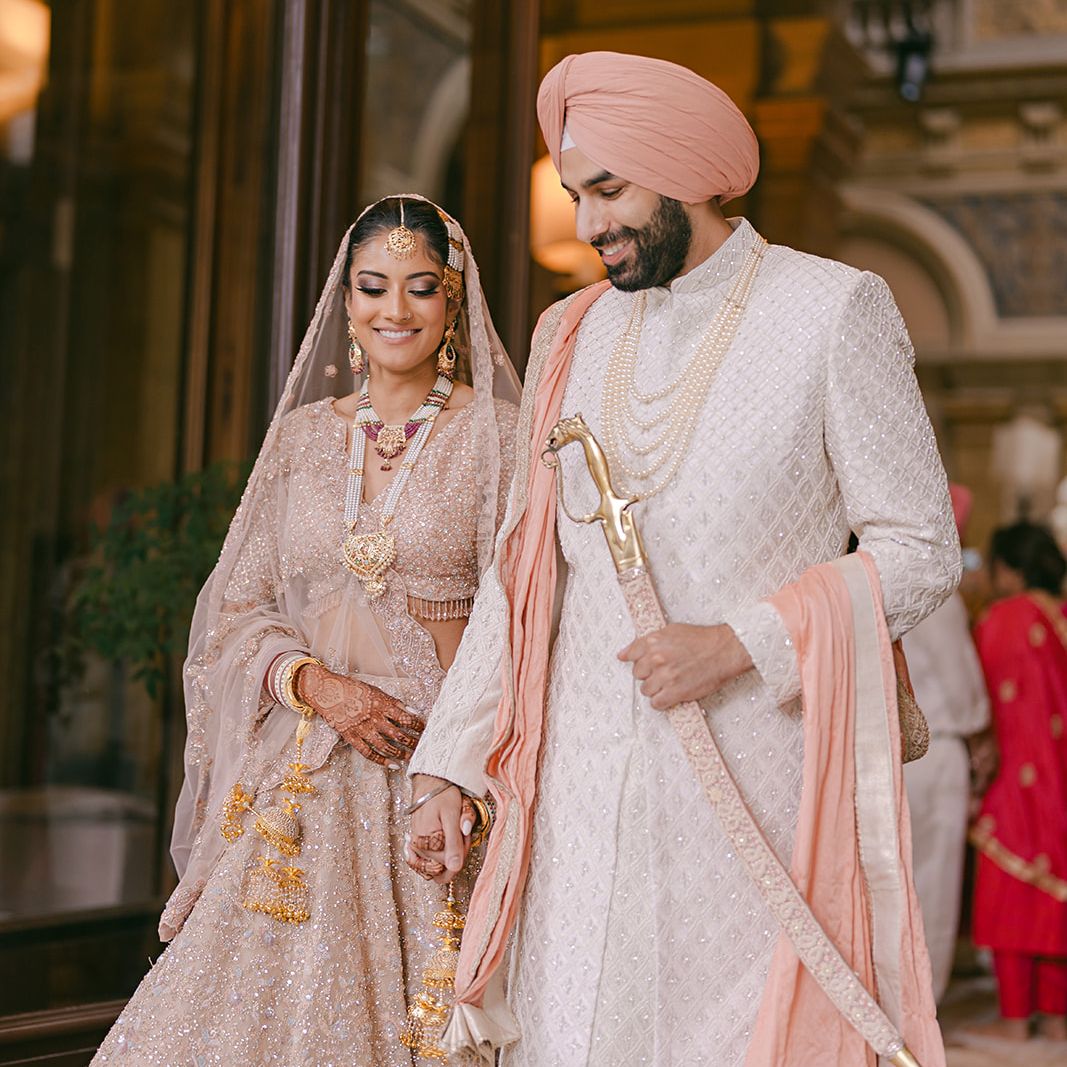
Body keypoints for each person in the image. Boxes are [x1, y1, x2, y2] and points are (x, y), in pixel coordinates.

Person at [407, 52, 959, 1067]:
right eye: (576, 195)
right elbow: (522, 577)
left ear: (688, 170)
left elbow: (919, 548)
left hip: (750, 787)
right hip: (573, 804)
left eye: (608, 190)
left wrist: (739, 642)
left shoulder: (829, 309)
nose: (585, 225)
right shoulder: (567, 331)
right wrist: (448, 765)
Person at [91, 195, 520, 1065]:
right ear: (347, 302)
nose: (393, 310)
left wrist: (461, 778)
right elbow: (238, 611)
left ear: (452, 302)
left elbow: (519, 622)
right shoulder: (298, 441)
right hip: (300, 784)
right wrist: (319, 686)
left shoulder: (497, 438)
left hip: (432, 788)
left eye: (419, 287)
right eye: (372, 288)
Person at [969, 521, 1067, 1042]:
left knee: (1011, 888)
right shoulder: (1061, 615)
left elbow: (979, 696)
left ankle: (1013, 1018)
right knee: (1056, 891)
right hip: (1061, 781)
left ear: (1010, 568)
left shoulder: (1006, 618)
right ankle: (1054, 1017)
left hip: (1021, 778)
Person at [903, 485, 990, 1002]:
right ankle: (922, 1007)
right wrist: (981, 734)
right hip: (937, 747)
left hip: (897, 748)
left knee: (899, 879)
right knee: (932, 884)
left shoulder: (881, 577)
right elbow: (961, 682)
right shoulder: (936, 588)